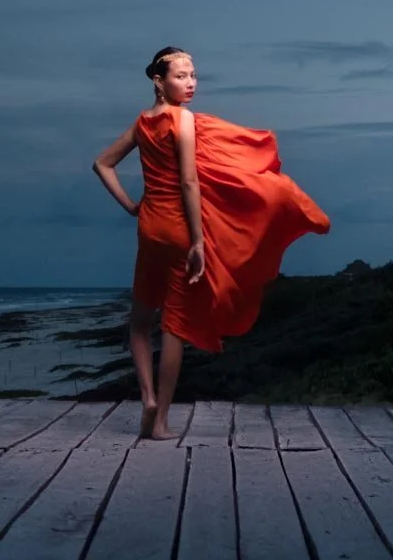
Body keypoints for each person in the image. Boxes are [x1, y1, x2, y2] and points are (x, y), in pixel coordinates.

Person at [93, 47, 331, 438]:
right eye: (181, 76)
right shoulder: (182, 121)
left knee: (139, 322)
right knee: (174, 325)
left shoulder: (142, 122)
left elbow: (102, 164)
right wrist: (199, 242)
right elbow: (189, 182)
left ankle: (147, 398)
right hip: (178, 229)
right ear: (159, 80)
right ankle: (162, 420)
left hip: (149, 227)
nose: (190, 84)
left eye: (193, 75)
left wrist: (132, 207)